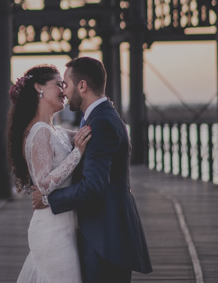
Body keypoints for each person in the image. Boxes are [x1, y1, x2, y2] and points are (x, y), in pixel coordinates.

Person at [32, 57, 152, 283]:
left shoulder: (101, 123)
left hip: (106, 237)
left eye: (65, 84)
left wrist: (48, 200)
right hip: (105, 231)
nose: (63, 91)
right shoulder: (99, 117)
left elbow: (93, 186)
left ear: (82, 86)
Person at [8, 64, 92, 283]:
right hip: (52, 233)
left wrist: (100, 108)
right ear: (39, 88)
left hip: (64, 228)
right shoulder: (40, 131)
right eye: (58, 85)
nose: (64, 91)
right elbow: (44, 185)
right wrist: (78, 153)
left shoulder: (56, 131)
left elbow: (89, 133)